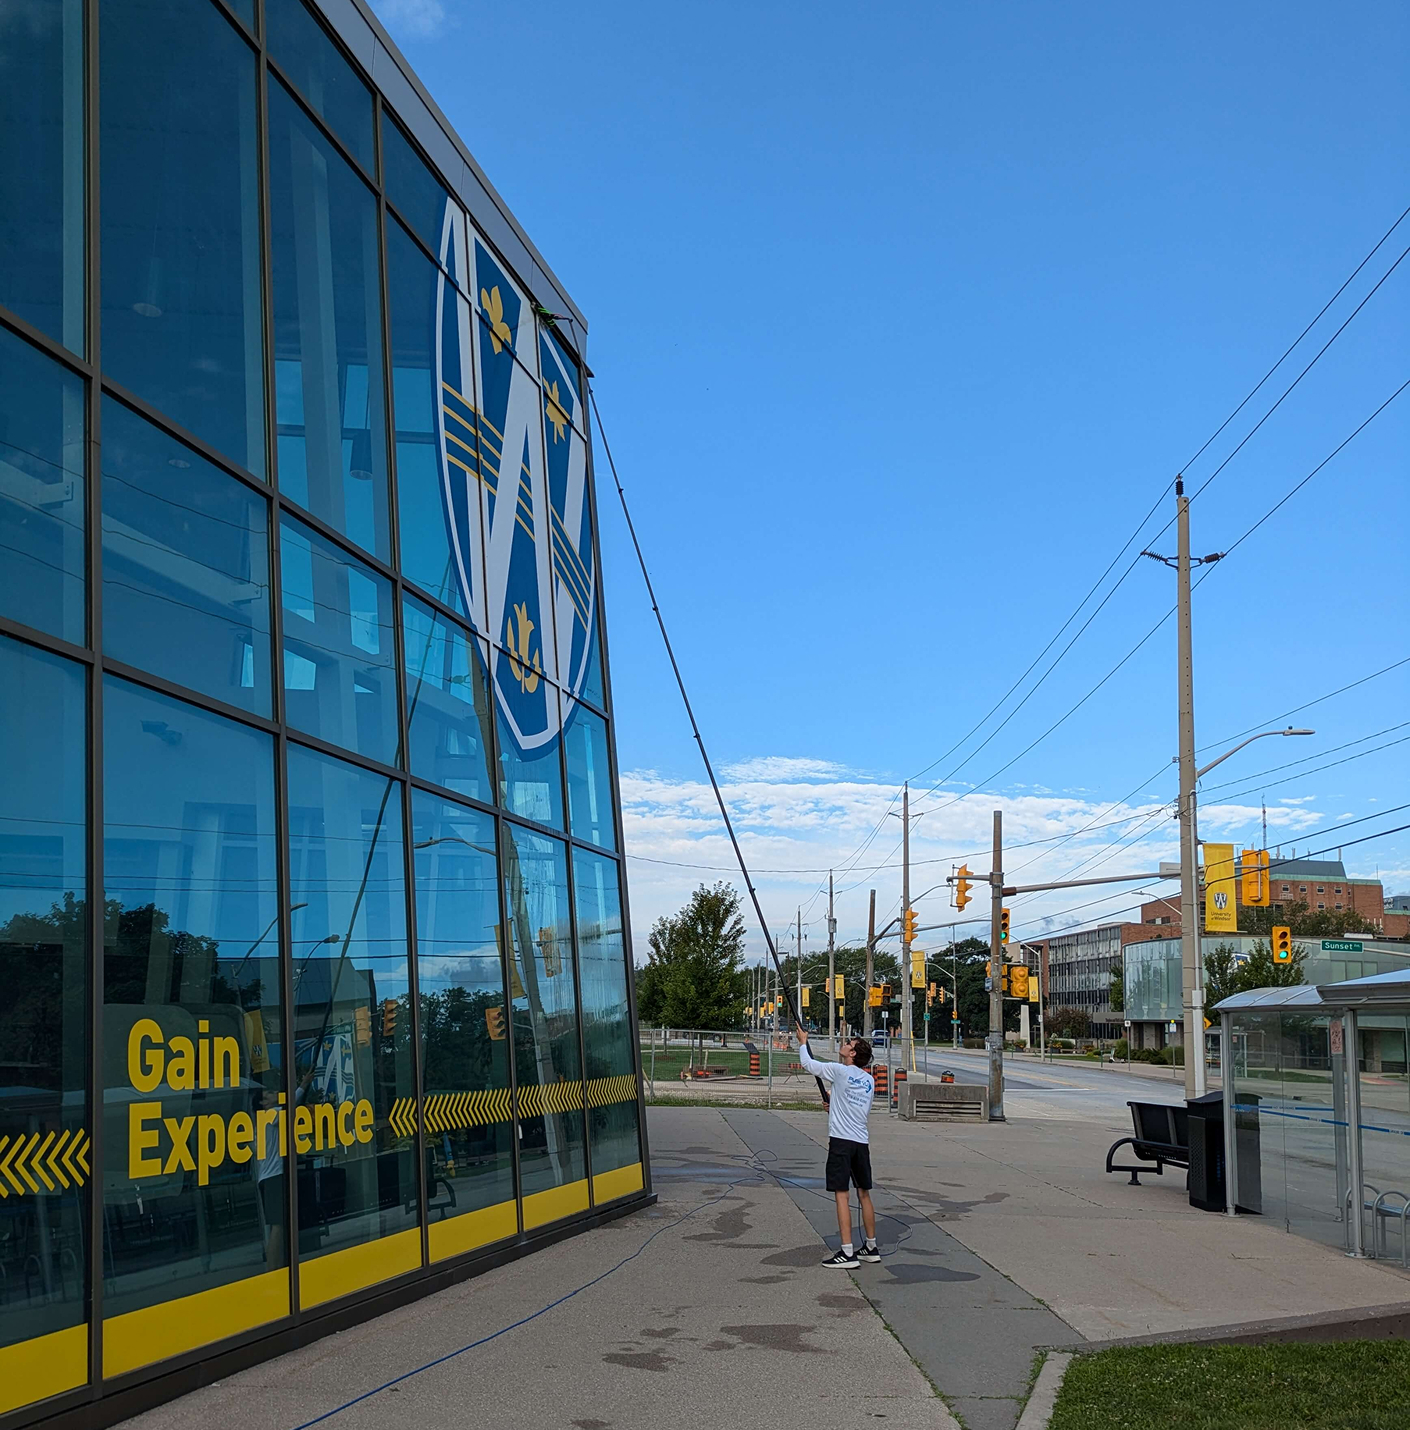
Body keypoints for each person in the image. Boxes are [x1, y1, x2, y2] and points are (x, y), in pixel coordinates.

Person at [796, 1026, 880, 1268]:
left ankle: (847, 1252)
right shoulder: (868, 1081)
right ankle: (871, 1246)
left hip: (841, 1142)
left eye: (849, 1044)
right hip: (861, 1143)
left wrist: (803, 1041)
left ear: (852, 1054)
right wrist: (833, 1103)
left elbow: (808, 1064)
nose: (845, 1045)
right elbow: (854, 1103)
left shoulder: (839, 1070)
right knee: (863, 1193)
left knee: (841, 1194)